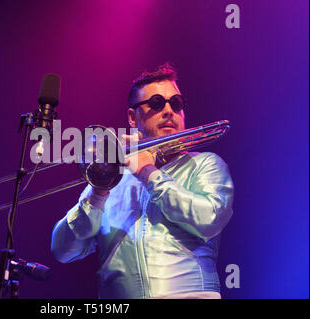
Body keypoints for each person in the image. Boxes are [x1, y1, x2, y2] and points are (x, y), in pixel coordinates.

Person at [50, 63, 234, 299]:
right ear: (132, 118)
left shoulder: (206, 164)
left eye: (176, 103)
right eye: (157, 103)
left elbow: (210, 219)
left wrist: (148, 172)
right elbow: (63, 251)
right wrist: (97, 193)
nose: (169, 110)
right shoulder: (111, 179)